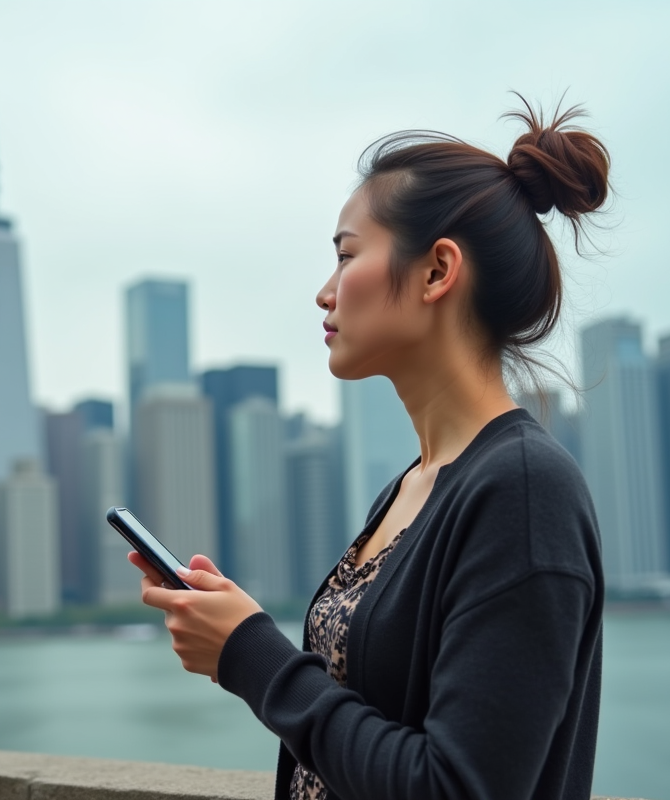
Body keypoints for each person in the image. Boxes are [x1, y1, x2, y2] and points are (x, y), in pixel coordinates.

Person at [129, 97, 608, 800]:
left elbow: (456, 788)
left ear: (437, 271)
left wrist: (253, 655)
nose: (325, 293)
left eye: (347, 255)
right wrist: (237, 628)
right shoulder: (413, 486)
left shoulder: (524, 491)